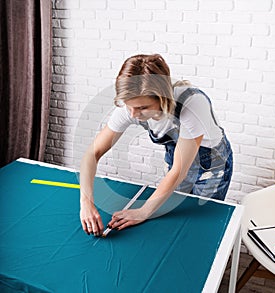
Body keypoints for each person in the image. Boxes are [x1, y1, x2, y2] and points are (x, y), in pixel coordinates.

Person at [80, 54, 233, 236]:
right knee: (171, 219)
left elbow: (179, 170)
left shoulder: (193, 103)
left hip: (211, 167)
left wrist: (142, 212)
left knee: (197, 228)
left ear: (163, 97)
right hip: (179, 156)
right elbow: (93, 153)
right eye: (129, 107)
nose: (134, 114)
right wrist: (86, 202)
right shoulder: (131, 107)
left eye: (143, 108)